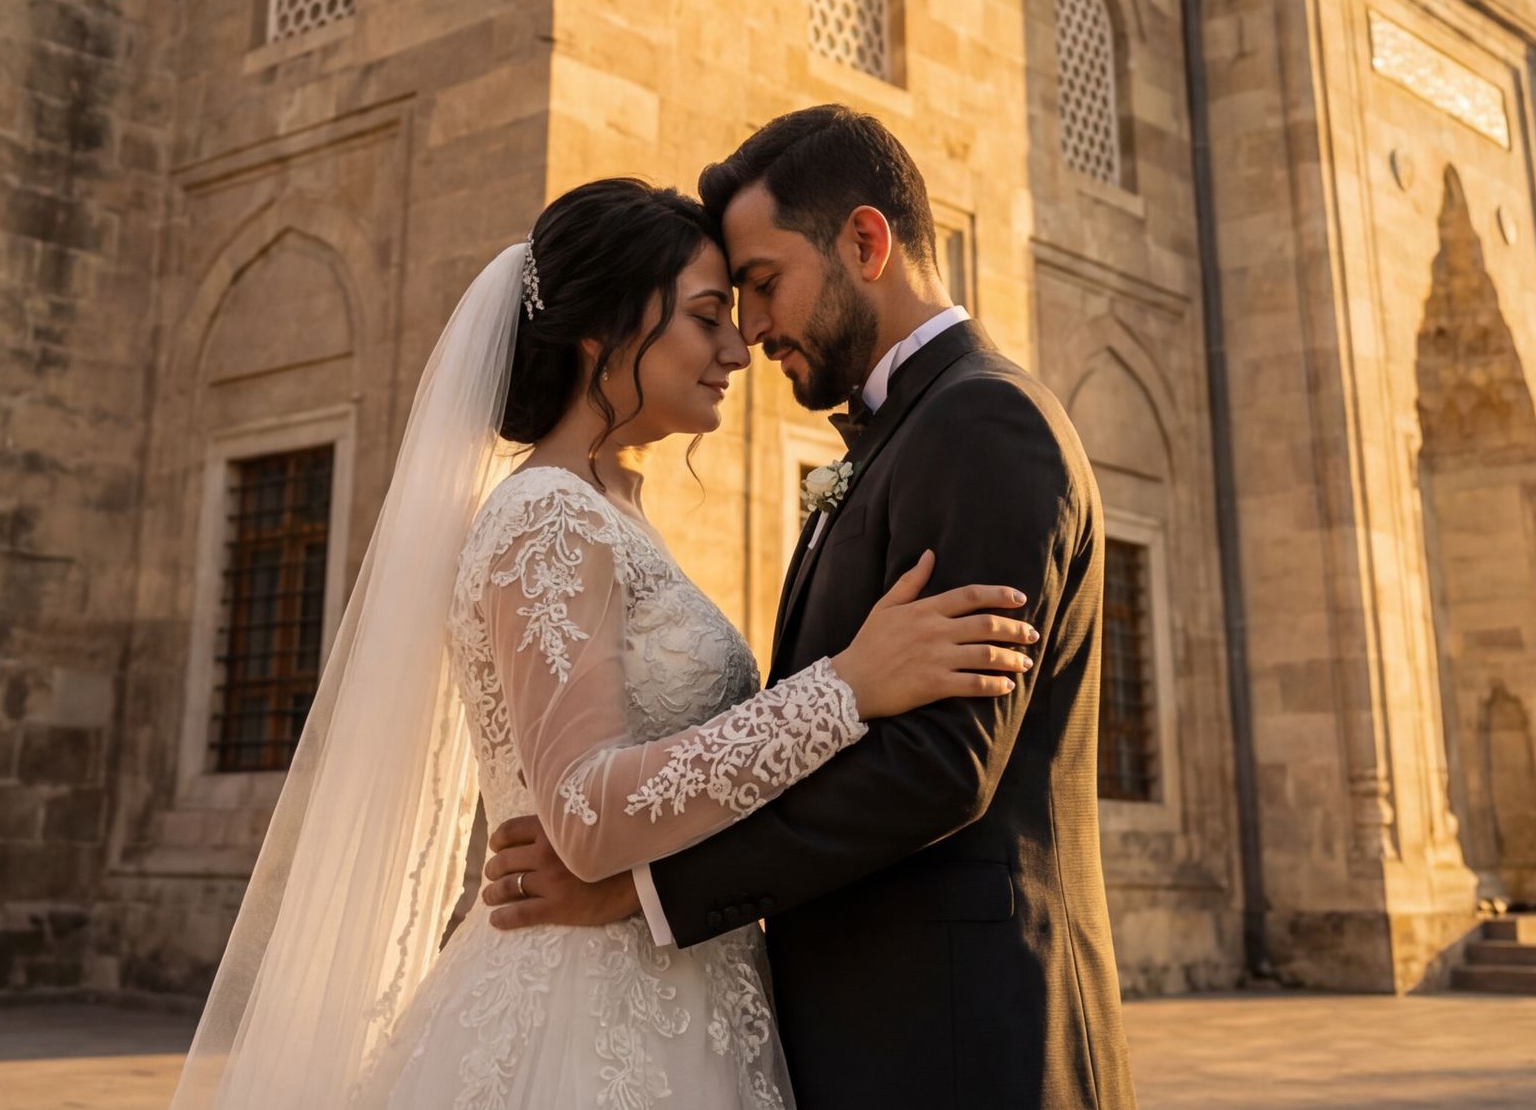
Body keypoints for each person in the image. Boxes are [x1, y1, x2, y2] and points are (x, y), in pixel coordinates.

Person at [168, 174, 1040, 1108]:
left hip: (689, 992)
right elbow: (583, 814)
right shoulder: (546, 516)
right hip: (586, 1018)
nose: (738, 348)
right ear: (607, 329)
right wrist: (845, 688)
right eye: (707, 316)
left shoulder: (612, 508)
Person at [482, 107, 1137, 1109]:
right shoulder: (897, 436)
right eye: (719, 306)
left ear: (865, 243)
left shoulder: (983, 420)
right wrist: (844, 688)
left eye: (759, 286)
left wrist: (636, 891)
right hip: (847, 1037)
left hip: (962, 1042)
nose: (748, 332)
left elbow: (939, 764)